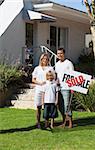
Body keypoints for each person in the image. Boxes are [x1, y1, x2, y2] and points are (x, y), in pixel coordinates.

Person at [32, 53, 54, 129]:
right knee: (38, 107)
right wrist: (40, 83)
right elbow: (33, 80)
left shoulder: (50, 68)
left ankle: (46, 123)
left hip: (47, 90)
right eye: (44, 59)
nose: (45, 60)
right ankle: (38, 123)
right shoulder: (37, 68)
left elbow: (53, 78)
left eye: (47, 59)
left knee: (47, 107)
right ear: (41, 59)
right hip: (39, 89)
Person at [55, 47, 74, 128]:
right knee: (60, 106)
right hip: (58, 88)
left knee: (67, 105)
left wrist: (72, 87)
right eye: (58, 53)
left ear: (64, 54)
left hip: (66, 87)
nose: (59, 55)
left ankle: (70, 122)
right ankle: (64, 121)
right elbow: (56, 75)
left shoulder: (68, 63)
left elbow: (73, 76)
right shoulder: (57, 64)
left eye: (61, 53)